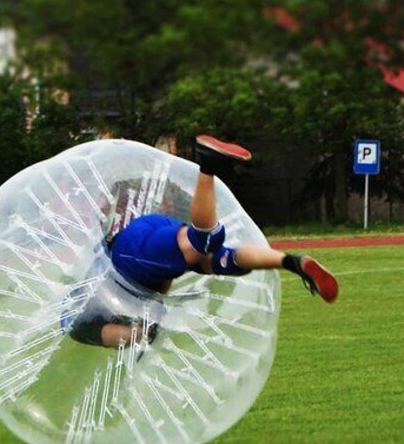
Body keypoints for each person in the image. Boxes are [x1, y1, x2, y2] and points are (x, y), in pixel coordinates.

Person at [66, 135, 338, 349]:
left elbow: (131, 332)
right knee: (224, 261)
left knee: (202, 241)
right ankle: (290, 261)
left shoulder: (77, 322)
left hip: (132, 258)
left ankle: (208, 165)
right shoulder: (88, 304)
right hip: (147, 242)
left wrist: (145, 333)